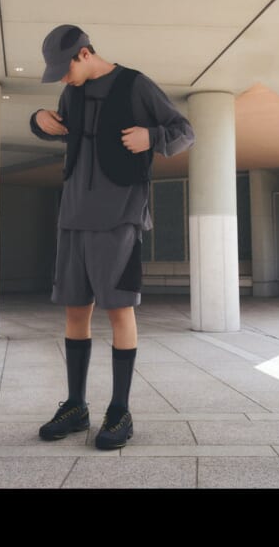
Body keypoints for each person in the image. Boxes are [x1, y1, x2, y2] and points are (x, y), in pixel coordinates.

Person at [29, 24, 195, 450]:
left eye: (65, 70)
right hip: (73, 216)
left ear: (84, 54)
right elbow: (58, 127)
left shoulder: (136, 85)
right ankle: (76, 406)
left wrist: (151, 137)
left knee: (120, 311)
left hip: (119, 217)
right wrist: (39, 121)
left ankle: (120, 410)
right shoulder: (72, 93)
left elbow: (184, 131)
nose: (63, 80)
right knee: (75, 311)